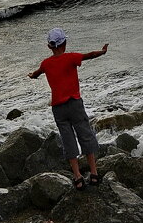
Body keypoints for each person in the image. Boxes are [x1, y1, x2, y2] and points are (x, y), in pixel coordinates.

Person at [27, 27, 108, 190]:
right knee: (85, 135)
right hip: (74, 104)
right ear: (65, 43)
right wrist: (102, 51)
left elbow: (37, 73)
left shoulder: (46, 63)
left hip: (58, 108)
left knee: (68, 140)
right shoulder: (71, 58)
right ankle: (93, 174)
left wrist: (32, 76)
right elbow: (89, 55)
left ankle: (77, 177)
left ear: (49, 46)